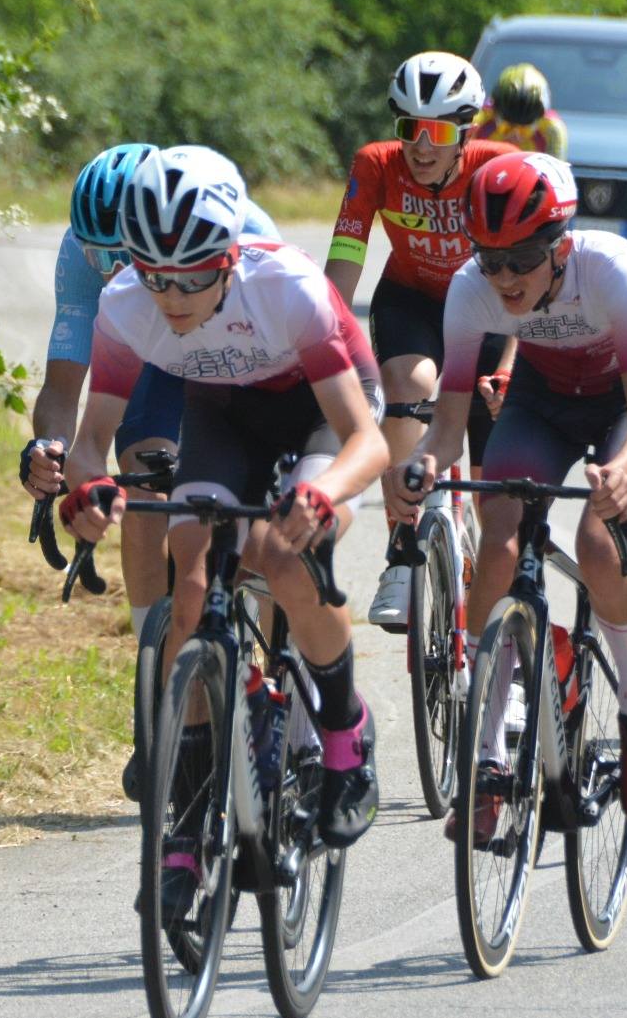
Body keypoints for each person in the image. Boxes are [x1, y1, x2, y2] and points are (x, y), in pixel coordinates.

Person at [61, 145, 388, 914]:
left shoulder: (287, 288)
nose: (171, 297)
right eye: (154, 275)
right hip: (225, 410)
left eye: (192, 276)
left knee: (281, 552)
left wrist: (322, 495)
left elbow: (366, 440)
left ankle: (346, 731)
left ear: (231, 256)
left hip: (321, 409)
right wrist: (90, 489)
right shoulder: (125, 302)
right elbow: (90, 437)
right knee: (191, 577)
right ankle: (191, 803)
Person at [387, 151, 627, 837]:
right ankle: (486, 761)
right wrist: (422, 466)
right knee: (499, 537)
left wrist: (621, 472)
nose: (506, 277)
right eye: (491, 259)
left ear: (560, 246)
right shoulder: (470, 288)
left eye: (522, 257)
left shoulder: (610, 267)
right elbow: (451, 427)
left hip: (622, 405)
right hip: (543, 397)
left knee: (599, 546)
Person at [19, 144, 279, 796]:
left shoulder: (239, 236)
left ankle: (275, 681)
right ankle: (156, 690)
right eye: (95, 256)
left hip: (242, 346)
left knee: (263, 511)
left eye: (120, 255)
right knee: (139, 479)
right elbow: (62, 384)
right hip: (150, 343)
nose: (107, 269)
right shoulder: (92, 266)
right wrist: (51, 446)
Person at [324, 51, 517, 630]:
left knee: (495, 493)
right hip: (412, 301)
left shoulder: (498, 167)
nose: (421, 146)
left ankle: (497, 643)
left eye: (435, 131)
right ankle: (403, 555)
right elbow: (341, 270)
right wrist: (324, 352)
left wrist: (509, 365)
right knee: (408, 389)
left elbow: (530, 288)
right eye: (408, 128)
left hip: (489, 311)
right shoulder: (375, 166)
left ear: (466, 131)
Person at [470, 63, 569, 159]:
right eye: (507, 127)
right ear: (494, 112)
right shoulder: (477, 120)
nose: (515, 136)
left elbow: (555, 171)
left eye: (524, 130)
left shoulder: (552, 130)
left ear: (539, 119)